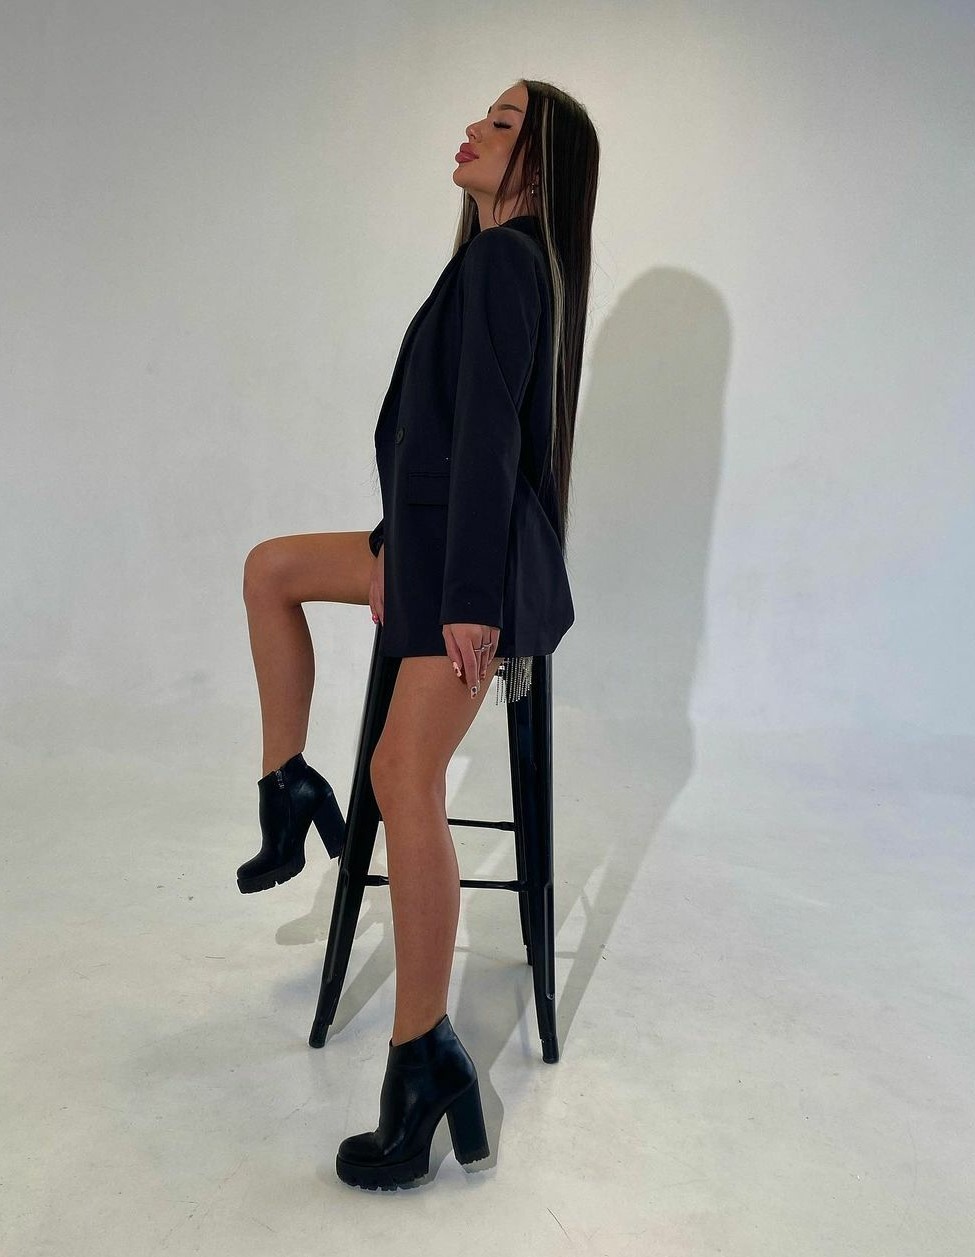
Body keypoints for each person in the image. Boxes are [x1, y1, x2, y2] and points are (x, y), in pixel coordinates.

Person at [238, 77, 599, 1190]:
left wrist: (471, 600)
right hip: (428, 544)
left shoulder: (506, 261)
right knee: (272, 569)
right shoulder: (489, 259)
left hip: (468, 570)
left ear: (539, 162)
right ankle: (290, 788)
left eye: (502, 123)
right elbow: (438, 439)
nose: (474, 130)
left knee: (403, 777)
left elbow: (490, 438)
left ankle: (422, 1055)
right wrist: (401, 547)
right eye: (482, 116)